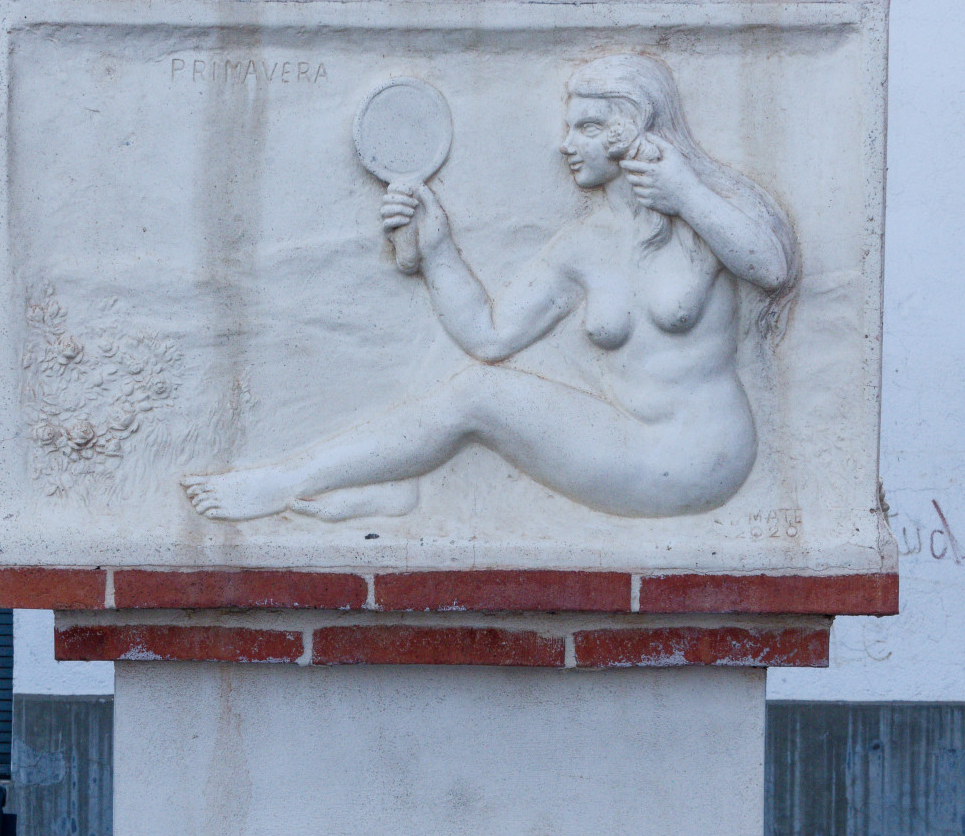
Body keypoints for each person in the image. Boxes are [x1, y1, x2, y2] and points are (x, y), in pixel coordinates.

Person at [184, 52, 798, 523]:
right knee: (479, 387)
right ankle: (385, 484)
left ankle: (289, 481)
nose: (566, 145)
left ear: (630, 131)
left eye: (587, 127)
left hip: (702, 459)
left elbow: (772, 269)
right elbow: (490, 335)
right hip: (630, 443)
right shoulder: (583, 245)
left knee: (480, 397)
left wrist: (685, 191)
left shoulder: (712, 210)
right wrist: (437, 248)